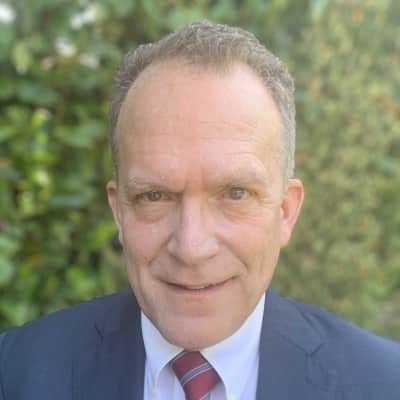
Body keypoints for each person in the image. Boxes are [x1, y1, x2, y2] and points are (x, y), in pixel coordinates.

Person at [0, 21, 399, 400]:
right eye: (154, 196)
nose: (191, 248)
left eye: (235, 194)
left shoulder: (383, 384)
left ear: (285, 211)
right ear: (119, 211)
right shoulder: (15, 374)